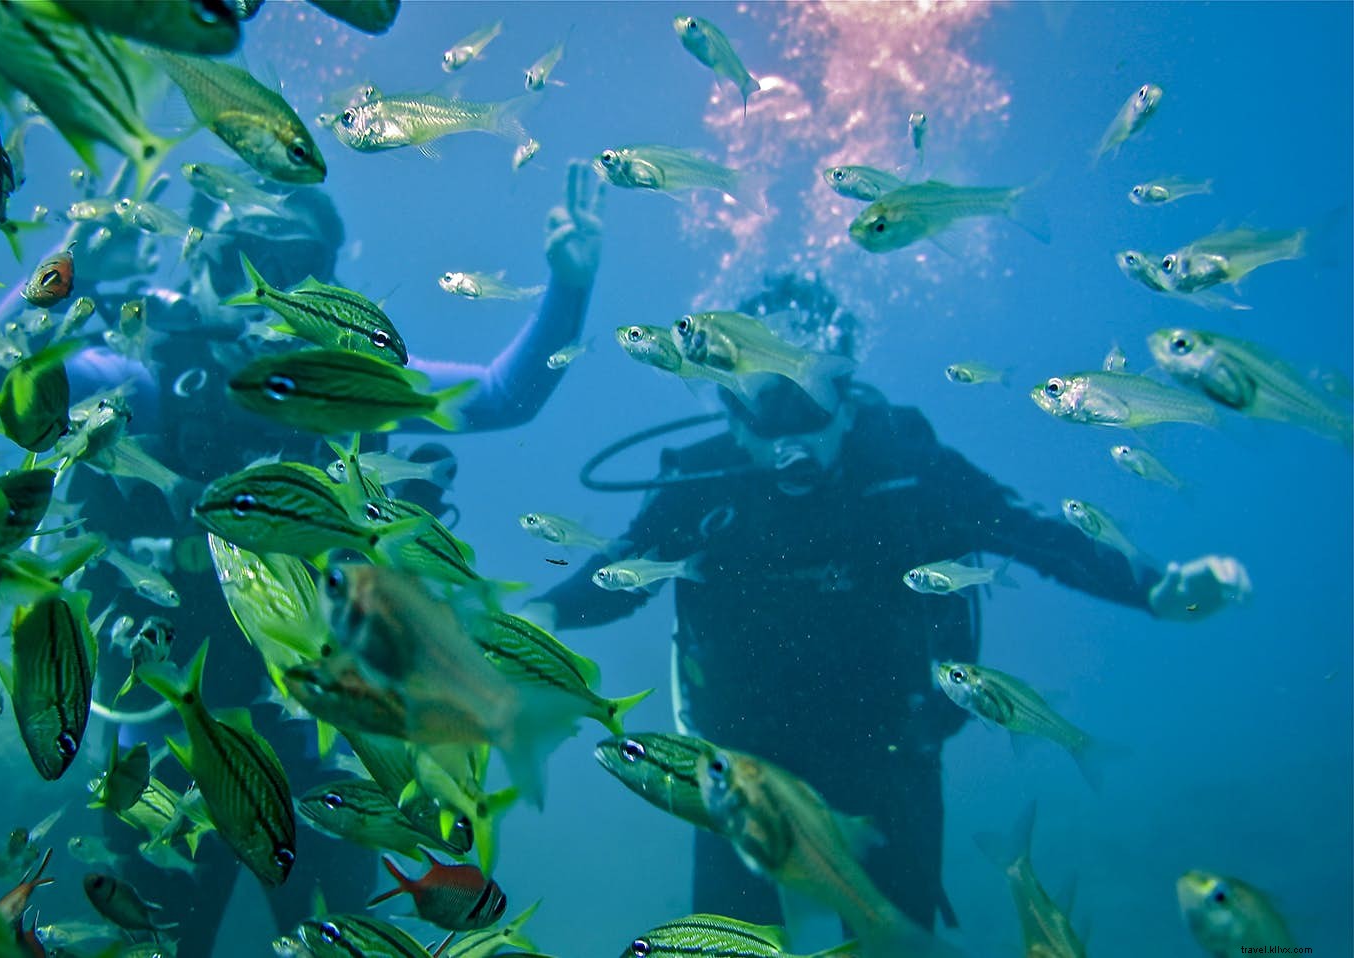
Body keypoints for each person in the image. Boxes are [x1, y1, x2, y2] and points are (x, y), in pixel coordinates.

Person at [0, 161, 604, 955]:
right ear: (197, 255)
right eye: (245, 253)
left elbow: (501, 395)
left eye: (294, 266)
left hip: (332, 738)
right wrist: (65, 274)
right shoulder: (149, 373)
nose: (264, 285)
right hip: (162, 739)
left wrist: (570, 287)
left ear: (328, 279)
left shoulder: (352, 382)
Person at [526, 270, 1247, 939]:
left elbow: (1035, 535)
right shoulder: (700, 483)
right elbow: (621, 570)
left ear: (843, 395)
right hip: (737, 770)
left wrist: (1154, 591)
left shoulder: (905, 468)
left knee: (897, 941)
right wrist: (541, 620)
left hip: (891, 757)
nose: (790, 442)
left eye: (807, 404)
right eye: (761, 409)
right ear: (729, 412)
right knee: (723, 944)